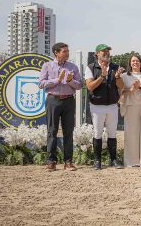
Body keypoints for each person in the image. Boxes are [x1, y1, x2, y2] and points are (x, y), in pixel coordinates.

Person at [38, 42, 82, 171]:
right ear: (56, 53)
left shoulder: (73, 67)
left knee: (69, 132)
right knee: (52, 131)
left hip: (69, 101)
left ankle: (68, 162)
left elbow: (79, 85)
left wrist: (70, 81)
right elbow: (41, 84)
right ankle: (51, 161)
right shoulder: (47, 66)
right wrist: (57, 80)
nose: (67, 53)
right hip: (53, 100)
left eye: (67, 51)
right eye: (64, 51)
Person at [85, 43, 125, 170]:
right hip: (97, 106)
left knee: (112, 133)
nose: (106, 53)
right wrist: (102, 76)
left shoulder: (115, 67)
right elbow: (90, 86)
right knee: (97, 133)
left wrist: (118, 77)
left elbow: (121, 86)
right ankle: (97, 161)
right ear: (97, 53)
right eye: (104, 51)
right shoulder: (91, 67)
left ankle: (113, 160)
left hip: (112, 105)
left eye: (108, 51)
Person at [120, 54, 141, 168]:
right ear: (130, 63)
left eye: (137, 61)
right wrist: (131, 89)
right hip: (130, 106)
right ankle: (131, 161)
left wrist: (140, 87)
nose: (135, 63)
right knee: (131, 134)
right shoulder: (124, 76)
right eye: (133, 61)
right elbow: (121, 91)